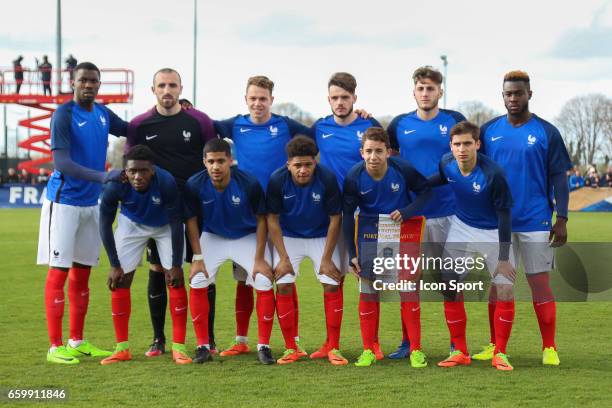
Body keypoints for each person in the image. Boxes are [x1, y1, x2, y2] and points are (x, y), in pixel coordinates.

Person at [477, 70, 572, 366]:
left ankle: (549, 348)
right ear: (502, 96)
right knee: (498, 285)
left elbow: (559, 178)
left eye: (518, 93)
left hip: (536, 220)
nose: (513, 98)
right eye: (508, 94)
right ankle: (495, 346)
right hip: (498, 224)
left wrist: (563, 217)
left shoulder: (547, 132)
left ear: (529, 94)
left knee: (539, 284)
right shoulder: (488, 131)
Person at [213, 75, 312, 357]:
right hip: (247, 213)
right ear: (246, 100)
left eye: (263, 98)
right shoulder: (235, 124)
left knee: (283, 276)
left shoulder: (285, 125)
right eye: (253, 98)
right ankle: (241, 339)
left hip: (281, 212)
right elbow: (203, 126)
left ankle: (294, 341)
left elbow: (317, 133)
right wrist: (185, 106)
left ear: (271, 99)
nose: (258, 103)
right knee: (244, 279)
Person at [36, 62, 128, 364]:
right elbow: (61, 163)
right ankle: (55, 347)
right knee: (59, 271)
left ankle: (76, 340)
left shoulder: (102, 114)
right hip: (64, 202)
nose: (89, 85)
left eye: (94, 81)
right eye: (83, 80)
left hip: (90, 204)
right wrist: (104, 177)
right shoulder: (63, 114)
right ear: (73, 83)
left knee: (82, 273)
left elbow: (134, 129)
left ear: (98, 85)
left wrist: (170, 114)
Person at [126, 68, 217, 357]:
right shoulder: (140, 124)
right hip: (158, 209)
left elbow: (212, 156)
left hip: (194, 205)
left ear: (181, 88)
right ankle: (158, 339)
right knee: (158, 269)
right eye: (162, 85)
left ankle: (208, 339)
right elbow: (131, 165)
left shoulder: (199, 120)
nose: (167, 90)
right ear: (152, 89)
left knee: (202, 268)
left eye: (172, 85)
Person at [386, 66, 466, 358]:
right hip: (411, 215)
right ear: (414, 91)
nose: (425, 93)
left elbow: (468, 154)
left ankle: (457, 343)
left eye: (430, 88)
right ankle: (408, 343)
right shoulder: (398, 124)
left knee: (450, 280)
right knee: (408, 281)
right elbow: (388, 159)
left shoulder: (454, 120)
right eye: (420, 88)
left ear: (439, 92)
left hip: (449, 211)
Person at [429, 121, 516, 370]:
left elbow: (504, 216)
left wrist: (503, 257)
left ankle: (500, 352)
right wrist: (416, 185)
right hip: (462, 227)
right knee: (448, 283)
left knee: (504, 289)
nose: (462, 149)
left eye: (467, 143)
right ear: (451, 146)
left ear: (477, 144)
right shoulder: (446, 162)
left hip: (493, 232)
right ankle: (460, 351)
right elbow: (441, 179)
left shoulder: (494, 174)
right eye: (457, 144)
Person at [342, 127, 431, 367]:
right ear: (361, 152)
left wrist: (407, 211)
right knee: (369, 290)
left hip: (403, 230)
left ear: (388, 152)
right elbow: (347, 216)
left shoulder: (402, 169)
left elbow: (425, 192)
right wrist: (352, 254)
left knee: (407, 287)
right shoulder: (353, 176)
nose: (374, 157)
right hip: (370, 233)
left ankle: (416, 349)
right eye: (369, 151)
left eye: (379, 151)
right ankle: (369, 349)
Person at [184, 138, 276, 365]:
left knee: (263, 280)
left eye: (221, 161)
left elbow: (261, 220)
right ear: (204, 162)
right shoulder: (194, 184)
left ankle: (263, 346)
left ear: (230, 161)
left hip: (245, 236)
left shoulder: (248, 183)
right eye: (211, 161)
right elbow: (191, 221)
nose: (216, 166)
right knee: (197, 279)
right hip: (213, 236)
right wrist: (197, 258)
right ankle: (202, 346)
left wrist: (258, 258)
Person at [99, 145, 191, 365]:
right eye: (132, 171)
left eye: (143, 171)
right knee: (120, 280)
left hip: (165, 226)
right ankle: (122, 348)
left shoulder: (166, 182)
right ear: (125, 172)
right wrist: (114, 263)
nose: (137, 176)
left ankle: (179, 347)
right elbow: (104, 223)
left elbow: (177, 223)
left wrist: (176, 264)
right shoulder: (114, 186)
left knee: (175, 280)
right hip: (132, 224)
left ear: (153, 170)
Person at [267, 136, 347, 365]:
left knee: (331, 284)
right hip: (289, 236)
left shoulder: (327, 179)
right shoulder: (277, 180)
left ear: (315, 162)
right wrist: (282, 257)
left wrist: (326, 258)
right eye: (297, 165)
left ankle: (332, 346)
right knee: (282, 284)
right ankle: (292, 347)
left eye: (308, 165)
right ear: (288, 164)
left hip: (321, 235)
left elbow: (335, 218)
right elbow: (272, 219)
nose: (303, 170)